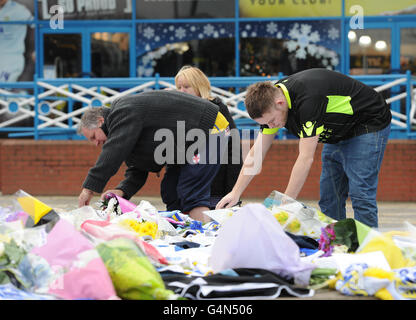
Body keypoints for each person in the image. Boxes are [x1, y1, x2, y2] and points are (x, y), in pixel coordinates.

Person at [216, 68, 391, 228]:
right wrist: (235, 192)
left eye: (271, 121)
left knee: (360, 192)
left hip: (368, 122)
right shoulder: (272, 102)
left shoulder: (308, 99)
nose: (272, 125)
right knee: (330, 196)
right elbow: (258, 151)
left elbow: (305, 158)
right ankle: (336, 243)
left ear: (280, 103)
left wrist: (286, 202)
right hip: (338, 130)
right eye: (266, 124)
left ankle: (370, 247)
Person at [77, 89, 230, 223]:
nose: (96, 143)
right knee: (171, 190)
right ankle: (184, 233)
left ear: (100, 121)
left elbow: (113, 152)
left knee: (191, 192)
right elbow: (138, 167)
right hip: (187, 143)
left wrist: (89, 188)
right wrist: (122, 191)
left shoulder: (122, 111)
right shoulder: (124, 129)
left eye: (93, 136)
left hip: (209, 127)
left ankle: (205, 237)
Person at [174, 66, 242, 209]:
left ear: (199, 87)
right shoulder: (178, 112)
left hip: (216, 186)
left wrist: (233, 189)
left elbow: (233, 149)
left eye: (187, 86)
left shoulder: (217, 109)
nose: (182, 91)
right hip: (188, 187)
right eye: (179, 87)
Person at [0, 0, 34, 82]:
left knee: (3, 88)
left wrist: (35, 49)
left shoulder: (19, 10)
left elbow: (37, 26)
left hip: (12, 59)